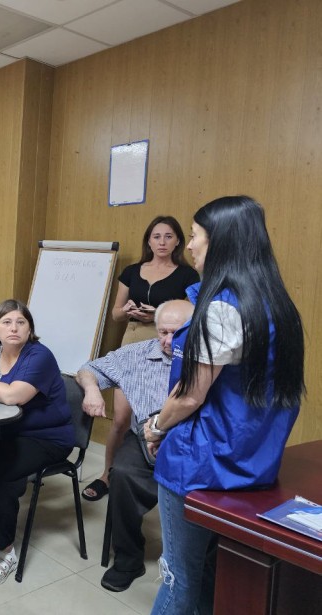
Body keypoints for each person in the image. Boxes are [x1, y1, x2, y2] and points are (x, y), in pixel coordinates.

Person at [144, 196, 305, 614]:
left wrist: (156, 427)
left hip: (202, 462)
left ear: (221, 242)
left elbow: (190, 395)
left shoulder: (221, 309)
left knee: (179, 578)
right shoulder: (276, 304)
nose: (189, 246)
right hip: (253, 462)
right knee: (212, 577)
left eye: (194, 235)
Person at [76, 300, 194, 592]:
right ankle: (128, 558)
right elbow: (88, 369)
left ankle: (196, 565)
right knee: (122, 473)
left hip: (189, 440)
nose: (169, 341)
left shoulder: (205, 360)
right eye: (163, 332)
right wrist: (92, 390)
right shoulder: (138, 353)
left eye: (177, 333)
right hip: (144, 437)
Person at [0, 299, 74, 586]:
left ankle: (5, 550)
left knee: (2, 474)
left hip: (47, 437)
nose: (14, 328)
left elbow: (12, 396)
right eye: (6, 322)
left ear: (30, 329)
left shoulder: (39, 355)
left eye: (21, 322)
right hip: (6, 430)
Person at [83, 216, 199, 502]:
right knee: (121, 419)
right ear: (148, 240)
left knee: (158, 414)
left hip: (168, 343)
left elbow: (191, 315)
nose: (162, 242)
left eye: (168, 236)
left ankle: (155, 479)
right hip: (133, 341)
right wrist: (128, 311)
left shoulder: (187, 275)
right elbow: (115, 313)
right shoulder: (133, 271)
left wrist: (156, 314)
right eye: (156, 236)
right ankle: (108, 474)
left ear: (178, 241)